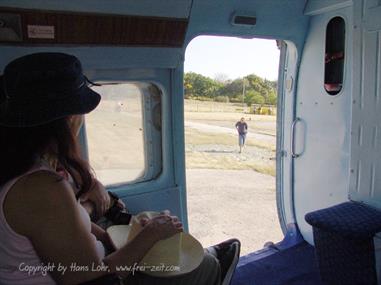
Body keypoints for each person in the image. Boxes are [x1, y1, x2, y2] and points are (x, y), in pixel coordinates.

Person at [0, 53, 240, 285]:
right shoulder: (40, 188)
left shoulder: (27, 169)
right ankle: (212, 267)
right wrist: (150, 236)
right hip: (100, 277)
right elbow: (95, 280)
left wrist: (114, 238)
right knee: (205, 268)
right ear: (69, 118)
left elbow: (66, 229)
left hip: (96, 263)